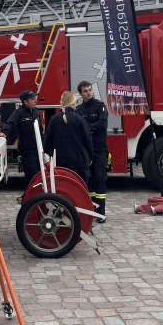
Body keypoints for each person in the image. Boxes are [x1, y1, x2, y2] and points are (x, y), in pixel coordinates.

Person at [43, 90, 93, 185]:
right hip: (80, 163)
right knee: (79, 194)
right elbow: (88, 141)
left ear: (61, 102)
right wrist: (90, 157)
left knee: (65, 193)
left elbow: (48, 143)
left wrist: (47, 161)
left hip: (62, 165)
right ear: (74, 102)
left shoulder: (54, 120)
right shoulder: (80, 119)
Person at [76, 80, 109, 221]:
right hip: (86, 151)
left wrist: (86, 129)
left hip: (99, 149)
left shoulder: (100, 107)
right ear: (80, 93)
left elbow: (102, 124)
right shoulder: (79, 110)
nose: (89, 93)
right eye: (85, 91)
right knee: (87, 180)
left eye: (90, 90)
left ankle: (101, 213)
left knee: (99, 179)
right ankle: (90, 210)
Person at [0, 90, 44, 183]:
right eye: (32, 99)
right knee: (32, 179)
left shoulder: (36, 111)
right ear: (25, 102)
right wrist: (4, 132)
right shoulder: (18, 113)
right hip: (27, 152)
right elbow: (10, 123)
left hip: (39, 150)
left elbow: (40, 130)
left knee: (41, 177)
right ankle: (32, 196)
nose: (35, 100)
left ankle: (41, 196)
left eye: (35, 98)